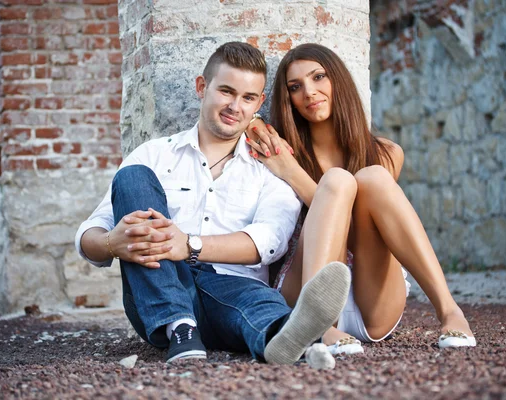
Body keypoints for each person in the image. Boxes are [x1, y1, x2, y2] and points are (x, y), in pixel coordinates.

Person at [74, 42, 352, 365]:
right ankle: (180, 326)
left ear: (259, 103)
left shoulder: (269, 166)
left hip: (233, 289)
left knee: (258, 304)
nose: (235, 106)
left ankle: (284, 336)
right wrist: (112, 243)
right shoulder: (154, 155)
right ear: (201, 87)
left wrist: (189, 244)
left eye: (248, 98)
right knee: (133, 177)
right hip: (161, 286)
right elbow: (87, 235)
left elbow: (269, 242)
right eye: (226, 91)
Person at [246, 43, 475, 355]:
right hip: (305, 287)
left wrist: (292, 174)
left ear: (338, 79)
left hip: (373, 297)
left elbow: (356, 231)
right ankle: (320, 325)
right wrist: (284, 157)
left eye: (318, 77)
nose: (309, 93)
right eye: (295, 87)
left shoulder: (386, 153)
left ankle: (449, 310)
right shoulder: (283, 148)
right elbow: (247, 120)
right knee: (339, 181)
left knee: (371, 177)